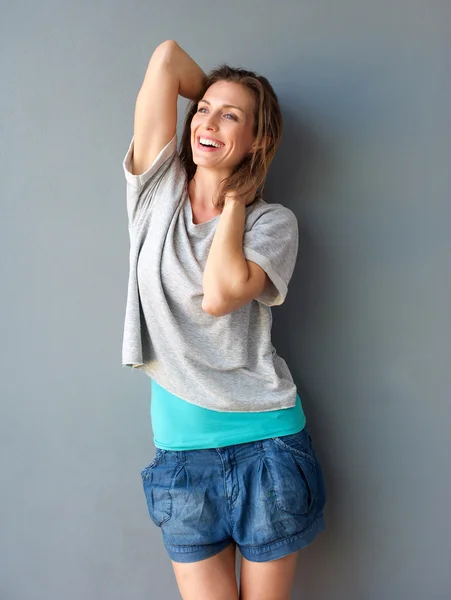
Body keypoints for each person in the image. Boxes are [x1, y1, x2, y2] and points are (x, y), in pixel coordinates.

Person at [121, 40, 326, 600]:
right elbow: (165, 58)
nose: (207, 121)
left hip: (268, 446)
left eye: (230, 116)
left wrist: (234, 200)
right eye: (204, 109)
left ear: (258, 139)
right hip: (183, 457)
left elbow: (220, 294)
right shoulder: (153, 192)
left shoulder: (271, 223)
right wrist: (218, 96)